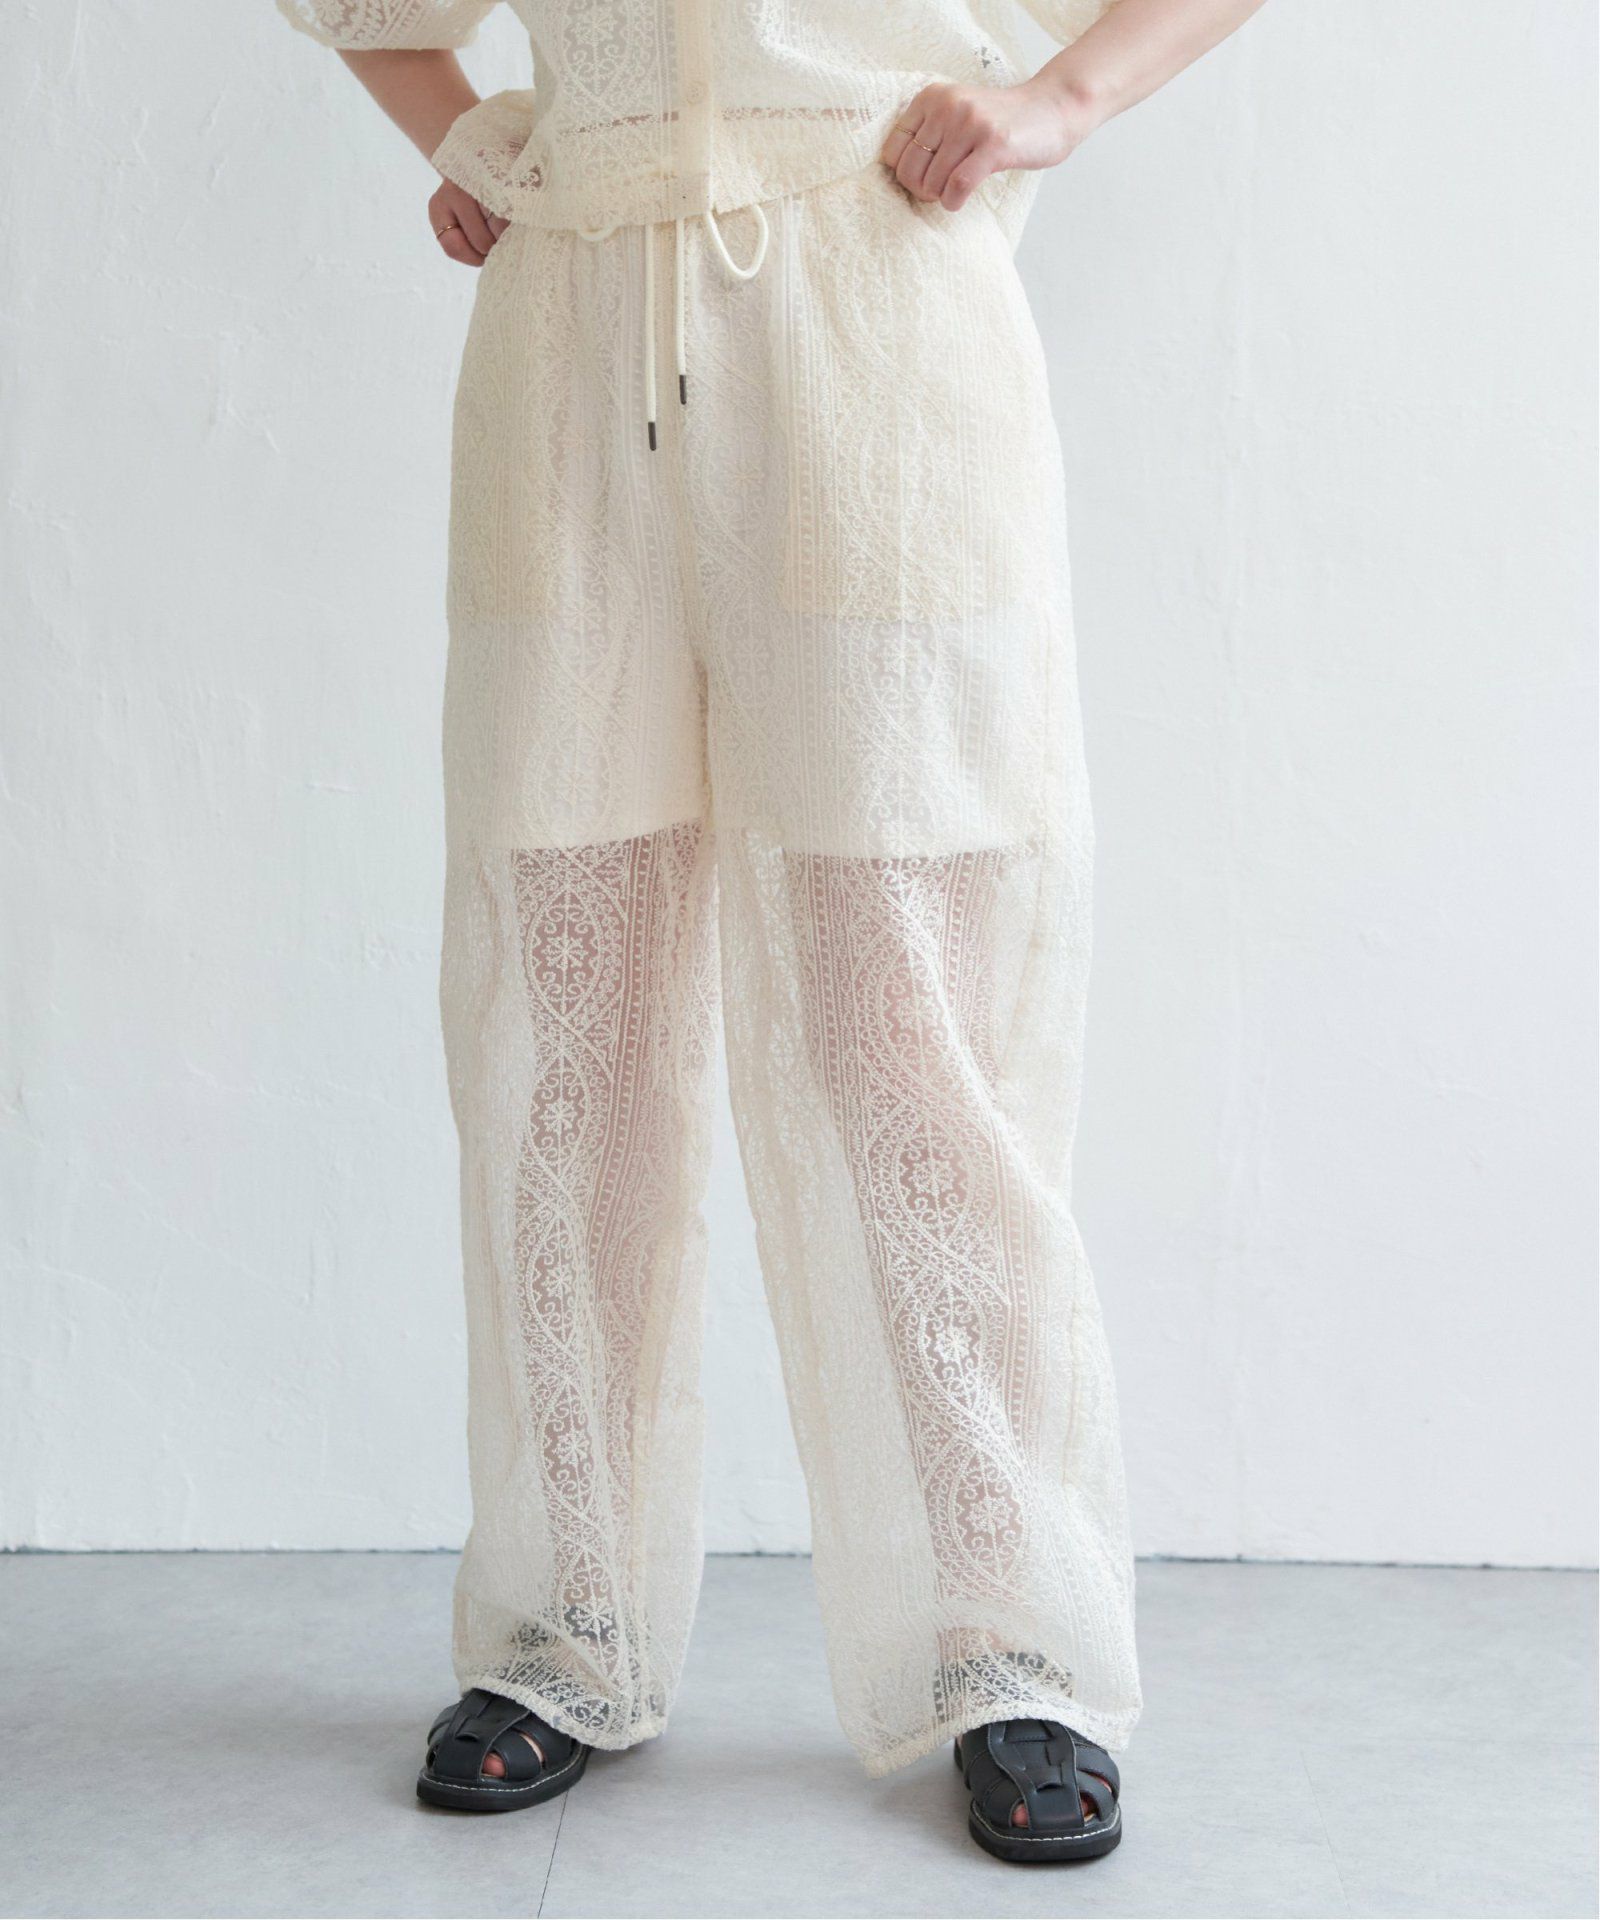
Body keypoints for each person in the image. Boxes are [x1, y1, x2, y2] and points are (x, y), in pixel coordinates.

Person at [278, 0, 1264, 1863]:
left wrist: (1064, 96)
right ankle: (565, 1625)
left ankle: (1015, 1644)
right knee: (565, 1022)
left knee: (912, 1022)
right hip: (570, 364)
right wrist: (470, 135)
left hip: (876, 334)